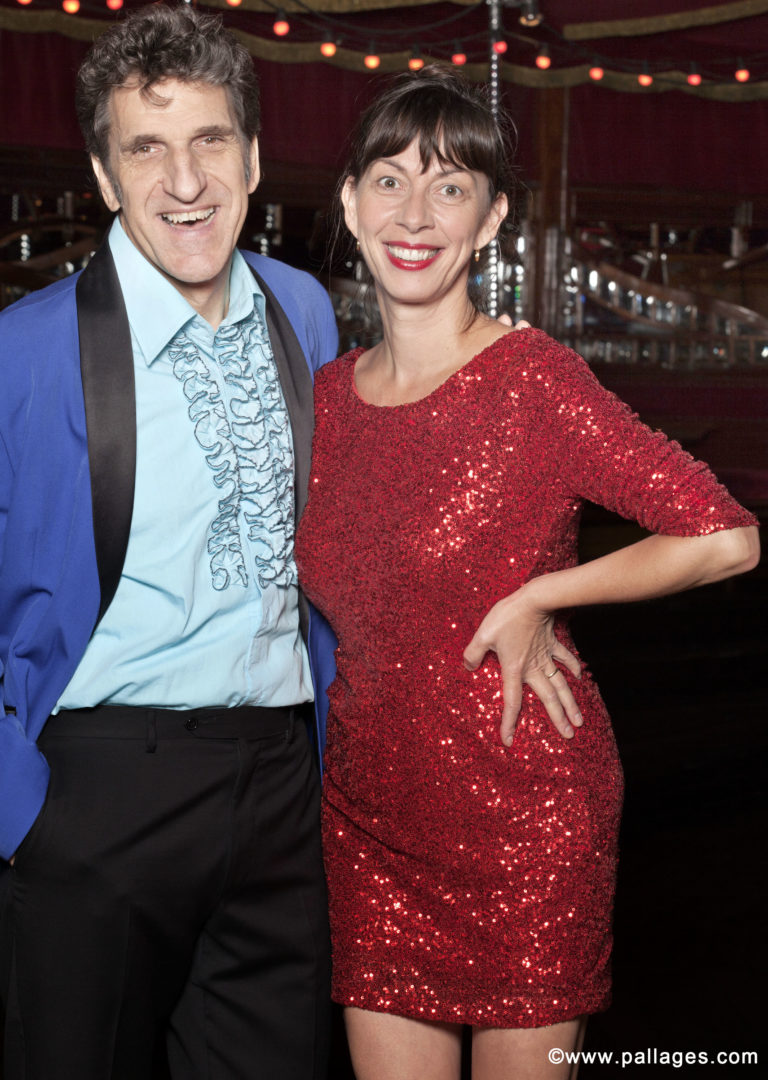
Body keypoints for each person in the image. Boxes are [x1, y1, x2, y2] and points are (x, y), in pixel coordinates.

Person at [294, 67, 760, 1080]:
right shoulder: (321, 401)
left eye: (451, 187)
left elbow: (726, 536)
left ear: (492, 219)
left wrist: (543, 594)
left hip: (527, 820)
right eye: (390, 181)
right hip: (371, 826)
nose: (416, 215)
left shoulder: (533, 382)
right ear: (351, 203)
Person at [0, 4, 338, 1080]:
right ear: (105, 177)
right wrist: (21, 810)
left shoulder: (303, 310)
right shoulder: (21, 351)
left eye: (209, 141)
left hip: (282, 783)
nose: (185, 180)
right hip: (97, 789)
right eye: (146, 148)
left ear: (252, 158)